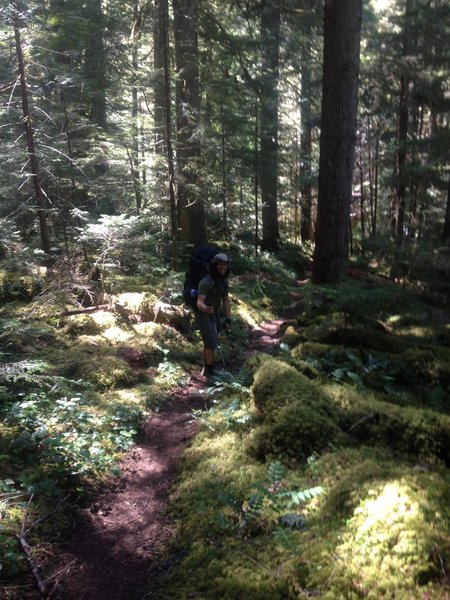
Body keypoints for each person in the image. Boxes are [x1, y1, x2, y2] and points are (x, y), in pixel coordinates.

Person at [196, 253, 231, 378]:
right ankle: (209, 373)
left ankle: (207, 368)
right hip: (204, 314)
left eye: (225, 265)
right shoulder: (206, 282)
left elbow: (226, 301)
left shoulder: (223, 282)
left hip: (215, 313)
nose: (223, 267)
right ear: (215, 266)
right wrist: (206, 308)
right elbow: (199, 302)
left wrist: (228, 319)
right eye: (220, 265)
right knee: (211, 341)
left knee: (211, 341)